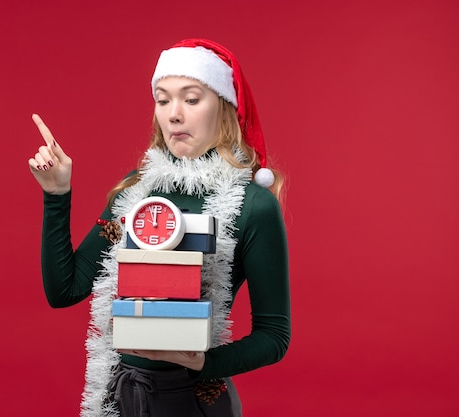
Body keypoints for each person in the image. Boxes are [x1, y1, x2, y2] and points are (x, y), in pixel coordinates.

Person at [28, 38, 290, 417]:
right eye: (163, 99)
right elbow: (64, 289)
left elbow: (275, 337)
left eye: (192, 98)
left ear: (223, 106)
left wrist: (202, 363)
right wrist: (57, 195)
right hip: (120, 397)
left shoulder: (253, 205)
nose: (174, 114)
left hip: (195, 401)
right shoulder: (137, 191)